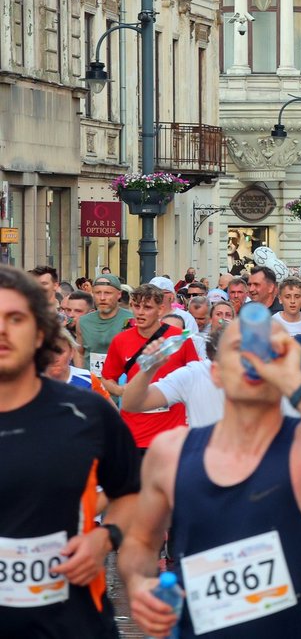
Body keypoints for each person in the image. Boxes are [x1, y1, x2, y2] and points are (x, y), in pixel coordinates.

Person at [118, 320, 301, 639]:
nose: (252, 359)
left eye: (263, 352)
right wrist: (139, 583)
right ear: (216, 372)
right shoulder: (172, 452)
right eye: (238, 350)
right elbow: (139, 542)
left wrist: (298, 385)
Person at [0, 265, 140, 637]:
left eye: (15, 318)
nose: (2, 330)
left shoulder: (88, 412)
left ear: (41, 332)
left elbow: (131, 493)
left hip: (70, 622)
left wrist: (105, 536)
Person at [100, 284, 200, 450]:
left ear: (160, 310)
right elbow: (107, 379)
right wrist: (123, 391)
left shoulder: (178, 338)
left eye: (147, 307)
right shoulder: (120, 340)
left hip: (172, 433)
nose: (140, 312)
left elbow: (195, 378)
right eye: (136, 306)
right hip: (134, 433)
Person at [77, 274, 133, 377]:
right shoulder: (83, 321)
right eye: (98, 293)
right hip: (92, 386)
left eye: (107, 293)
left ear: (119, 294)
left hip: (120, 385)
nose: (102, 298)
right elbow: (79, 353)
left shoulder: (132, 320)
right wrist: (81, 379)